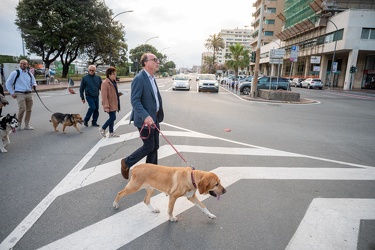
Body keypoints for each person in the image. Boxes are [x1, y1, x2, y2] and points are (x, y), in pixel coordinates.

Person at [120, 53, 164, 179]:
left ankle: (151, 172)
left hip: (154, 118)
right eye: (154, 60)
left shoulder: (151, 77)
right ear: (145, 63)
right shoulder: (139, 78)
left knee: (154, 146)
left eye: (157, 60)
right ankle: (126, 162)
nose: (158, 62)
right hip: (145, 120)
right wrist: (145, 116)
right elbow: (135, 100)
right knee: (149, 146)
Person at [5, 59, 37, 130]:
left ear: (27, 65)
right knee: (22, 109)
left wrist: (34, 85)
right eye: (21, 63)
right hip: (19, 93)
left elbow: (33, 81)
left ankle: (27, 125)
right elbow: (8, 83)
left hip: (29, 93)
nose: (22, 65)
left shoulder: (29, 73)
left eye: (24, 64)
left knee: (29, 110)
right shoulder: (15, 73)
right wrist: (12, 92)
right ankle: (18, 123)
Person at [99, 66, 122, 138]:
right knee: (113, 117)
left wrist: (118, 94)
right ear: (109, 74)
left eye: (115, 74)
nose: (115, 75)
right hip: (109, 103)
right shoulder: (105, 83)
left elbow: (113, 92)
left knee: (112, 118)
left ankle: (111, 132)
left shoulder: (114, 82)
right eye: (114, 74)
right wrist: (106, 106)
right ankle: (103, 128)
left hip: (114, 103)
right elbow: (104, 96)